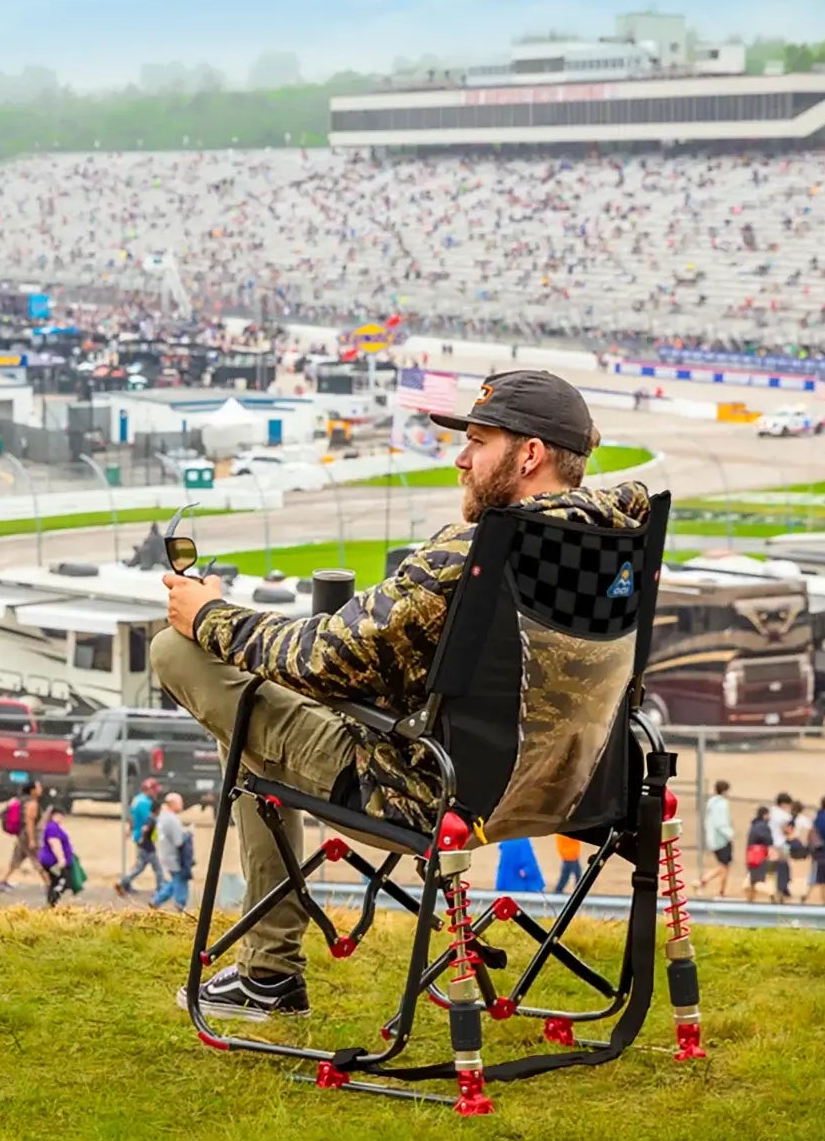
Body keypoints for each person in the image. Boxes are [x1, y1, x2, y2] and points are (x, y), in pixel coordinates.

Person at [154, 369, 634, 1022]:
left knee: (184, 658)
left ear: (530, 455)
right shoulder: (612, 544)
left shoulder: (469, 556)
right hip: (571, 789)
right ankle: (266, 974)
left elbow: (323, 658)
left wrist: (208, 614)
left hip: (423, 793)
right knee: (257, 718)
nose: (461, 460)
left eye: (478, 441)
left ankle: (269, 974)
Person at [114, 777, 166, 898]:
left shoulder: (137, 799)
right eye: (154, 790)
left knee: (140, 864)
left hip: (139, 835)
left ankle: (125, 883)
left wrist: (130, 829)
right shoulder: (145, 803)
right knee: (147, 866)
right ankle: (159, 887)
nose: (156, 793)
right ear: (148, 789)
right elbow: (149, 819)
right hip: (144, 837)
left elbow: (132, 817)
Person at [0, 778, 47, 891]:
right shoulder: (32, 804)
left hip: (21, 834)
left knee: (17, 858)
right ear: (32, 790)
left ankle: (3, 881)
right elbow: (29, 822)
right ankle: (49, 884)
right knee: (38, 860)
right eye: (38, 787)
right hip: (29, 835)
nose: (41, 789)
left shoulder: (20, 800)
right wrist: (31, 839)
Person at [151, 793, 192, 911]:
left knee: (175, 880)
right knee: (181, 880)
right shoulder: (172, 819)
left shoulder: (162, 817)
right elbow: (178, 841)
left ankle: (156, 901)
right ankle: (180, 904)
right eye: (180, 802)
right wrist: (188, 834)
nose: (182, 805)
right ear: (173, 804)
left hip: (164, 854)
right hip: (174, 857)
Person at [695, 780, 734, 897]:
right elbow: (721, 823)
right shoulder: (722, 804)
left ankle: (721, 890)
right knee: (724, 866)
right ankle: (703, 882)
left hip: (713, 839)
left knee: (724, 866)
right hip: (722, 839)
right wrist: (729, 834)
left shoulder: (711, 803)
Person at [38, 805, 78, 907]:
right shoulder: (52, 827)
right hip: (53, 861)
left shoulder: (53, 827)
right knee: (63, 881)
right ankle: (53, 900)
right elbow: (55, 843)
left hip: (54, 861)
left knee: (55, 881)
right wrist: (61, 859)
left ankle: (52, 902)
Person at [743, 806, 773, 902]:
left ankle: (750, 899)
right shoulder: (763, 826)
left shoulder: (754, 825)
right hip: (759, 855)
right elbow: (768, 840)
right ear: (765, 815)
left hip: (751, 854)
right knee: (759, 879)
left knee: (753, 879)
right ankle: (772, 894)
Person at [769, 792, 795, 903]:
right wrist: (792, 833)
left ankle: (774, 890)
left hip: (771, 844)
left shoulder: (771, 812)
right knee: (783, 867)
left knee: (772, 870)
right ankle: (781, 890)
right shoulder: (784, 815)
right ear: (784, 804)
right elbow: (786, 830)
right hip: (782, 844)